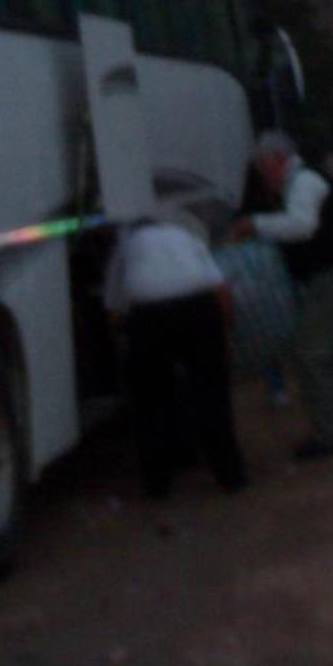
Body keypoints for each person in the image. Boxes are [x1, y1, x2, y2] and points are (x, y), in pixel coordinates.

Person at [103, 206, 248, 498]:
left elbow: (114, 309)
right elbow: (221, 291)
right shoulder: (186, 237)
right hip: (199, 309)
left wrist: (123, 340)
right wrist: (226, 334)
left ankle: (158, 483)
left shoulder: (125, 247)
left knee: (151, 403)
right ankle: (230, 475)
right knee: (212, 394)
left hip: (149, 315)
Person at [232, 130, 333, 460]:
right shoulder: (304, 179)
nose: (262, 172)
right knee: (324, 351)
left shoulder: (304, 181)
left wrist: (256, 224)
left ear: (278, 158)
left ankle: (330, 432)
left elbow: (302, 225)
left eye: (263, 165)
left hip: (328, 275)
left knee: (311, 352)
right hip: (329, 274)